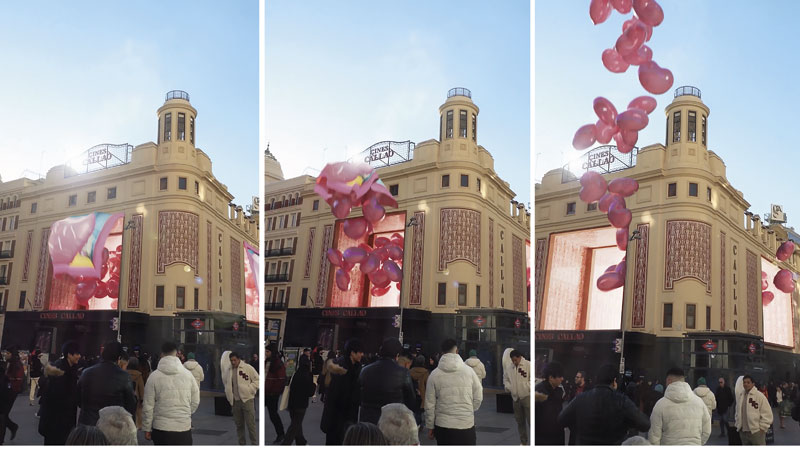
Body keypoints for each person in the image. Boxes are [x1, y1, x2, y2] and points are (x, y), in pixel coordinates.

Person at [557, 364, 650, 444]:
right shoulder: (621, 400)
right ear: (614, 381)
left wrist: (578, 428)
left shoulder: (581, 398)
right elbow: (645, 424)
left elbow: (562, 419)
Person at [425, 338, 483, 445]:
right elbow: (478, 395)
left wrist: (430, 426)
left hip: (443, 426)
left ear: (442, 352)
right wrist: (469, 410)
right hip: (466, 425)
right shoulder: (469, 372)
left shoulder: (434, 375)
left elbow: (429, 404)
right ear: (457, 351)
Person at [142, 341, 200, 445]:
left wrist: (147, 428)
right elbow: (195, 400)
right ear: (177, 353)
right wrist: (185, 413)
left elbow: (148, 406)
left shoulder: (153, 377)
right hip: (183, 428)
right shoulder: (188, 375)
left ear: (161, 354)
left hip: (161, 428)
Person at [76, 341, 138, 426]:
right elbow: (130, 405)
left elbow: (78, 400)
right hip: (111, 427)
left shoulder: (86, 372)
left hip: (87, 425)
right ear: (119, 358)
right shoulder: (124, 376)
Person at [358, 337, 417, 425]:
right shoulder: (403, 373)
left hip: (368, 421)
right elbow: (411, 400)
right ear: (397, 355)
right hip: (392, 422)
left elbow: (358, 395)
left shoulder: (365, 370)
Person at [648, 367, 711, 445]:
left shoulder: (660, 405)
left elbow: (654, 436)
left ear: (669, 380)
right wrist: (698, 443)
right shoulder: (699, 402)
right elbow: (707, 430)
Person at [321, 338, 365, 445]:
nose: (362, 354)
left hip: (349, 416)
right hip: (335, 417)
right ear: (352, 353)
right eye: (359, 352)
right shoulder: (338, 367)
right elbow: (332, 395)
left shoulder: (359, 368)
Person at [37, 341, 81, 445]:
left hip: (65, 420)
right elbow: (55, 397)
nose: (79, 356)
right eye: (77, 354)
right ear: (69, 355)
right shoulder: (58, 370)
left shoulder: (72, 369)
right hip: (54, 421)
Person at [221, 351, 259, 445]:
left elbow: (257, 380)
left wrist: (250, 389)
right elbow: (226, 382)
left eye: (235, 360)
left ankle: (254, 444)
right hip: (235, 401)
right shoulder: (229, 370)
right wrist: (228, 392)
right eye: (231, 360)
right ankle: (242, 445)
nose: (233, 362)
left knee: (251, 425)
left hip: (247, 400)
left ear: (239, 359)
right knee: (239, 425)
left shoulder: (247, 368)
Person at [282, 354, 316, 445]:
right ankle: (286, 443)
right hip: (301, 404)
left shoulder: (296, 373)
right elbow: (310, 392)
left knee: (296, 423)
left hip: (292, 403)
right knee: (295, 425)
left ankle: (301, 441)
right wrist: (314, 385)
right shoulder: (308, 374)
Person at [735, 374, 772, 445]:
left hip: (756, 432)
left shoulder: (759, 396)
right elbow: (737, 411)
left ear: (753, 384)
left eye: (748, 382)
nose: (746, 384)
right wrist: (738, 424)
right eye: (744, 382)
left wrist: (762, 428)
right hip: (743, 432)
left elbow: (767, 414)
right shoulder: (741, 396)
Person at [534, 360, 565, 445]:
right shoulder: (539, 392)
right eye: (560, 376)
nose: (562, 379)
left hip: (556, 436)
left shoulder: (558, 390)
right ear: (551, 377)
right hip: (543, 438)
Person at [504, 349, 531, 445]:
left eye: (515, 360)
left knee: (531, 421)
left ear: (520, 357)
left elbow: (533, 380)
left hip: (527, 397)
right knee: (520, 422)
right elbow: (505, 379)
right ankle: (523, 442)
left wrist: (526, 387)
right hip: (515, 399)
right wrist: (509, 387)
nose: (514, 362)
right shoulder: (509, 367)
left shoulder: (528, 365)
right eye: (512, 360)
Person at [263, 344, 286, 443]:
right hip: (265, 392)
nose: (266, 353)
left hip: (272, 393)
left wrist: (274, 391)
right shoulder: (267, 362)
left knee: (273, 414)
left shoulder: (278, 363)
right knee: (271, 414)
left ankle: (281, 434)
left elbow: (281, 380)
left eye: (267, 351)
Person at [409, 354, 429, 425]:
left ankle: (414, 424)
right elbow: (427, 385)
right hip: (422, 395)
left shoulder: (410, 371)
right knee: (419, 412)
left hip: (412, 394)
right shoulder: (426, 372)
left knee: (413, 411)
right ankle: (419, 424)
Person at [125, 357, 145, 429]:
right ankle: (136, 425)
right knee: (136, 412)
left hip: (126, 396)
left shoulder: (124, 373)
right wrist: (142, 398)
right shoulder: (139, 375)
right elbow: (141, 387)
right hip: (136, 397)